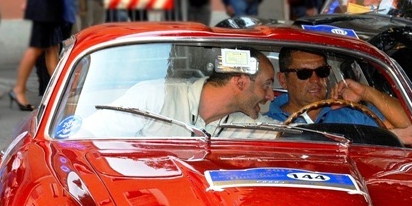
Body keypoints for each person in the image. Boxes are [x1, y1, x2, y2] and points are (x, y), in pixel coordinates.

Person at [79, 50, 277, 138]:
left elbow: (291, 135)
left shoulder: (244, 122)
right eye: (267, 84)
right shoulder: (156, 95)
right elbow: (86, 135)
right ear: (240, 82)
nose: (271, 95)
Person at [265, 49, 410, 131]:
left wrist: (366, 93)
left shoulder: (354, 113)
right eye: (304, 73)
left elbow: (411, 128)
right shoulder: (265, 122)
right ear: (283, 80)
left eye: (322, 71)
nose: (315, 80)